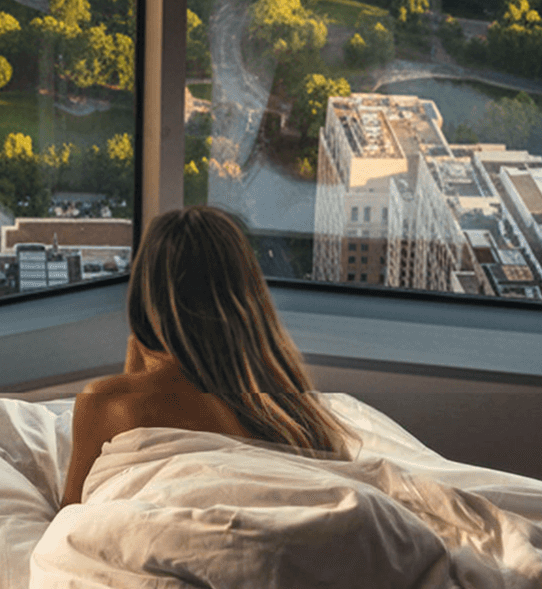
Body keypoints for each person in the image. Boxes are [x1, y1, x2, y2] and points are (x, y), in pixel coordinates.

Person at [60, 205, 354, 506]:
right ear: (248, 295)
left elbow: (69, 520)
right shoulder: (296, 416)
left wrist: (133, 380)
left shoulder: (109, 403)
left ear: (147, 294)